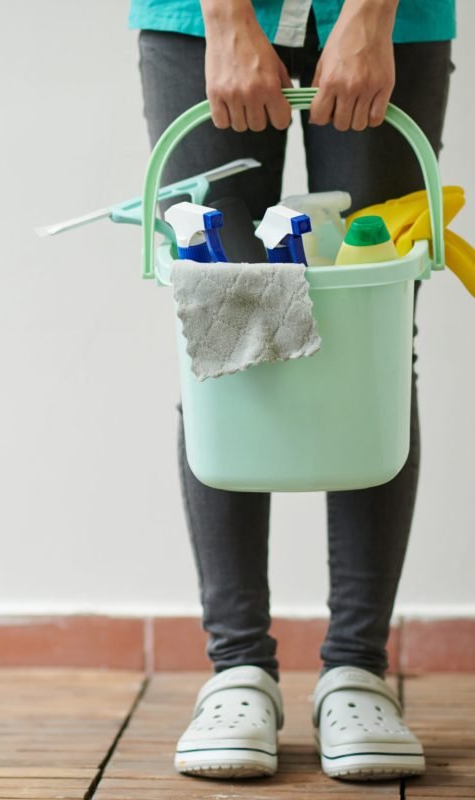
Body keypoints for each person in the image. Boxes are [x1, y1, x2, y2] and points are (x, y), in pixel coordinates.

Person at [130, 0, 455, 782]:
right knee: (226, 329)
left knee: (369, 341)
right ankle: (238, 672)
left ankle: (357, 673)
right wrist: (224, 17)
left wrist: (372, 17)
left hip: (393, 17)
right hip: (199, 19)